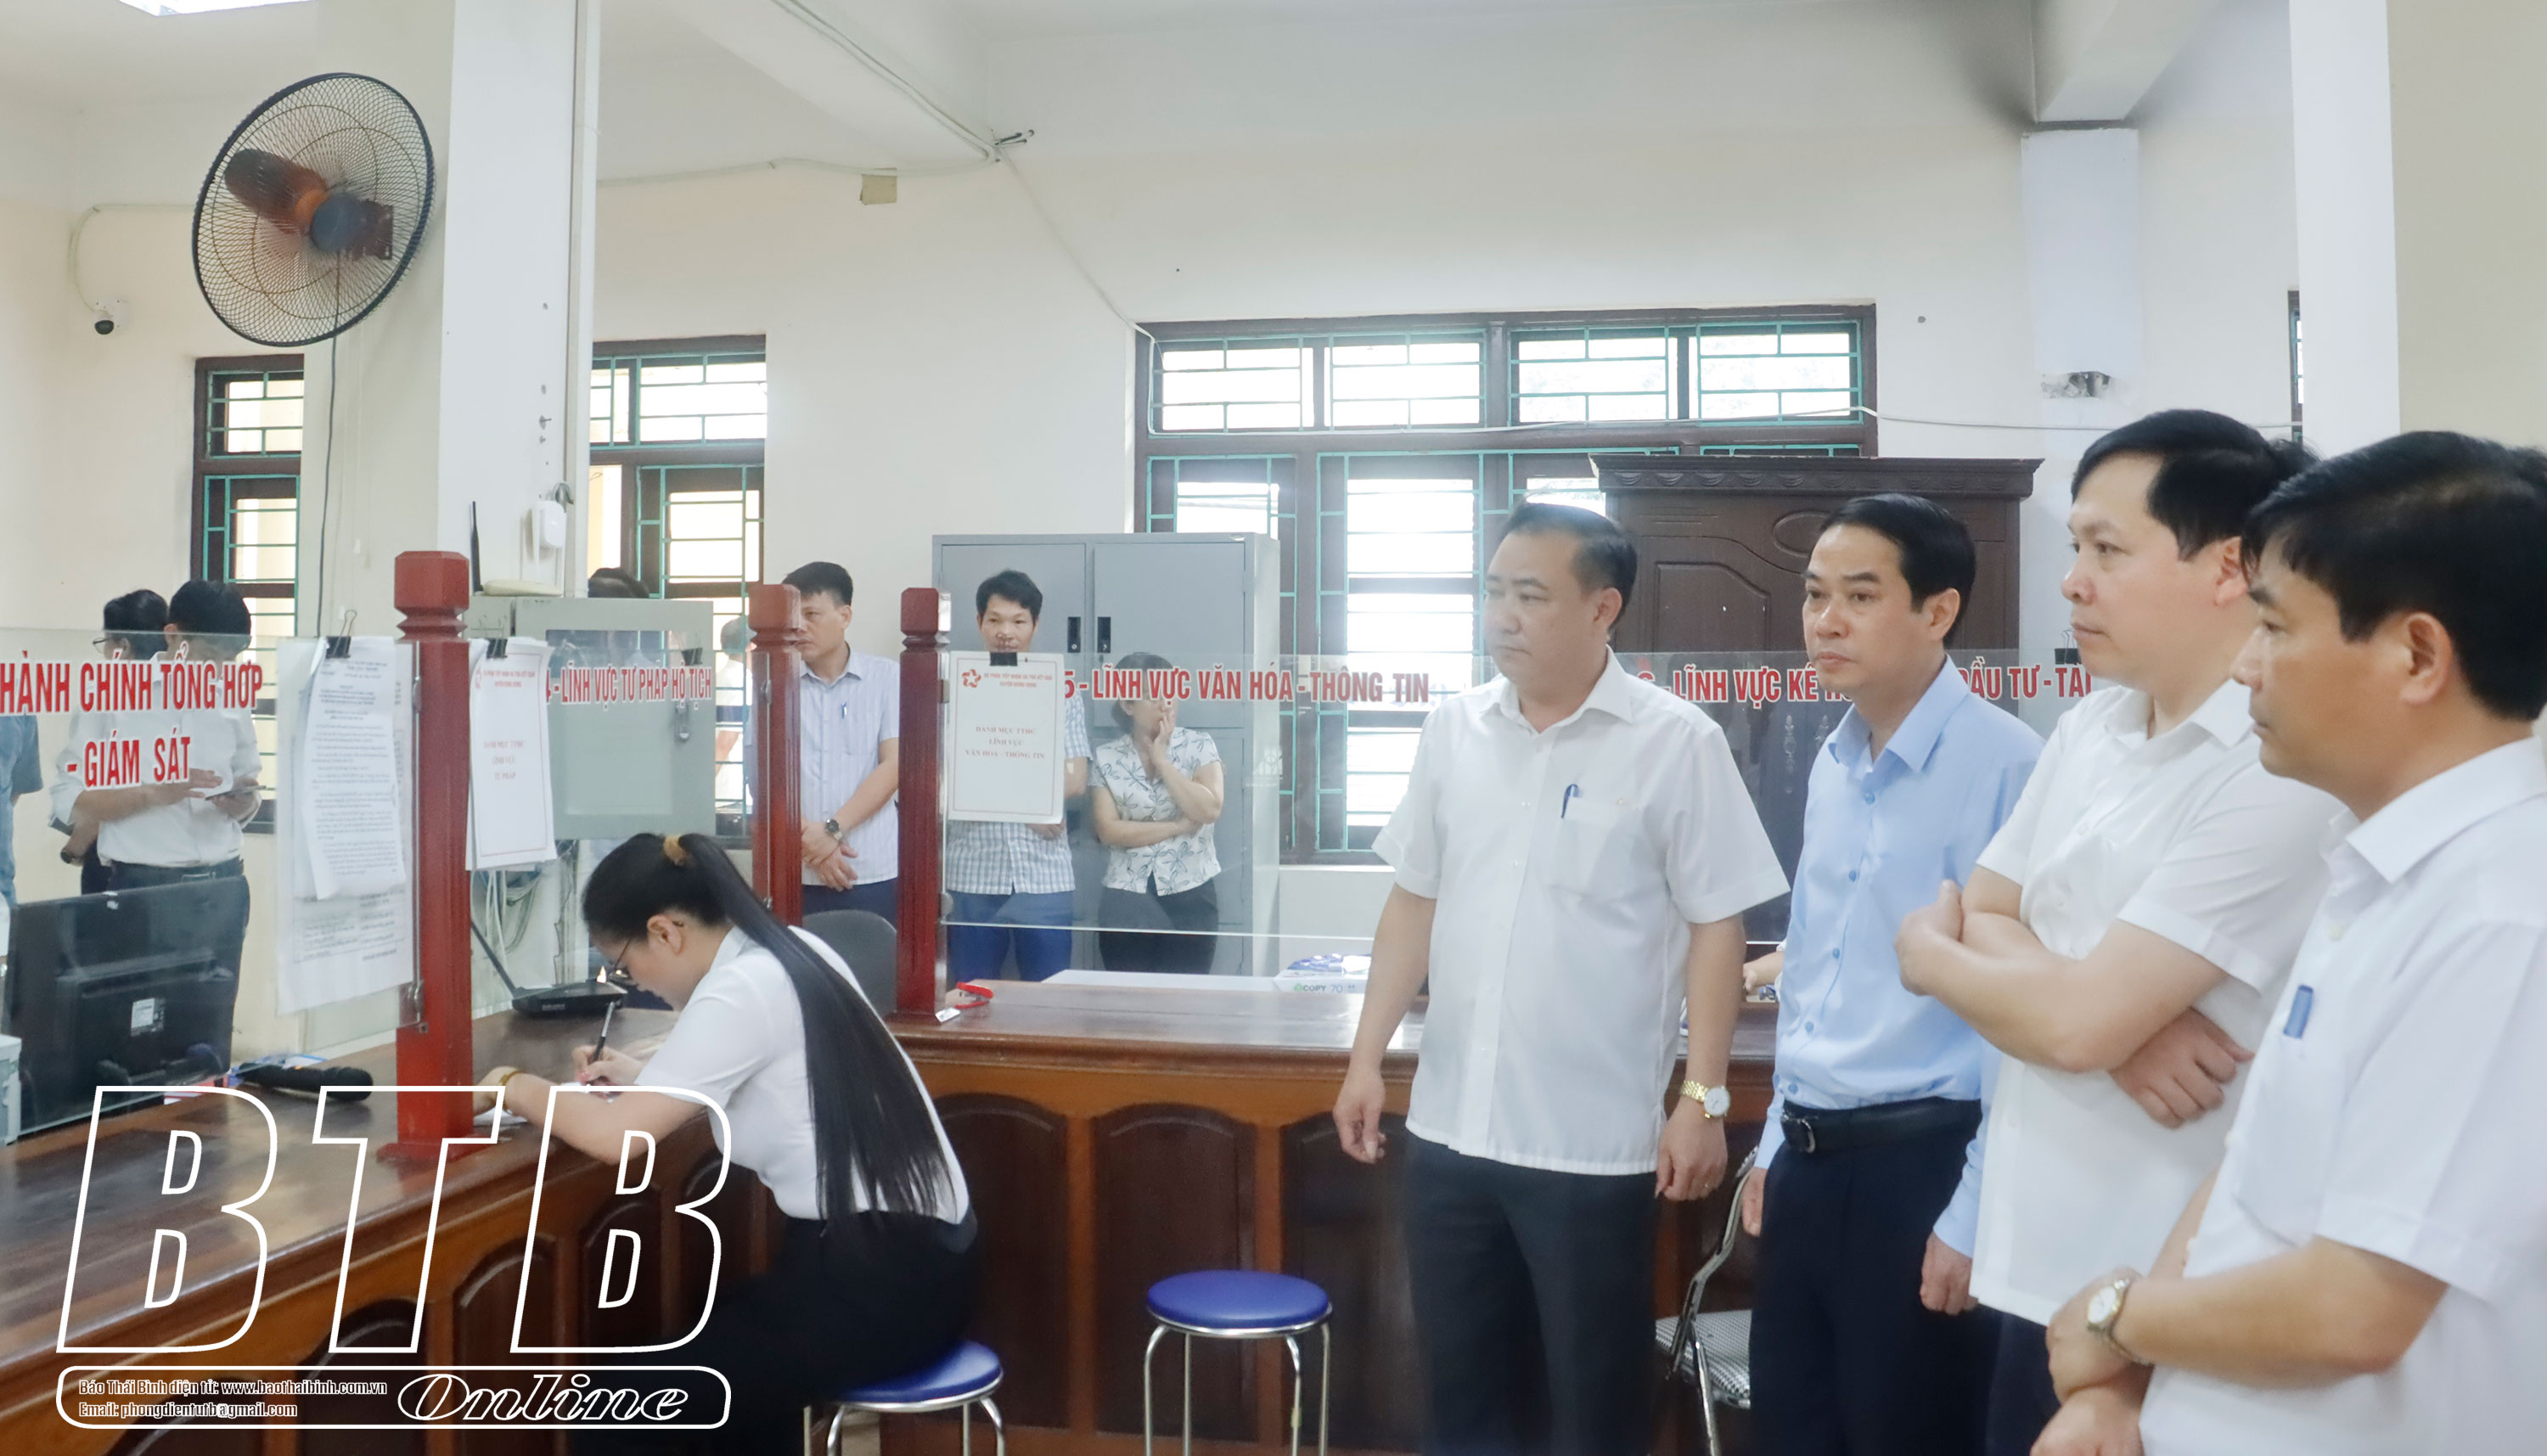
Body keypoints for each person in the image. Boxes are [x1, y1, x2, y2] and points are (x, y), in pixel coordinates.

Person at [2033, 433, 2547, 1455]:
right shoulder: (2379, 865)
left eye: (2272, 625)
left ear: (2417, 656)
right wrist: (2126, 1387)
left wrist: (2115, 1315)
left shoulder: (2501, 915)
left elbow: (2355, 1308)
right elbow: (2254, 1174)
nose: (2246, 664)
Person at [1889, 410, 2342, 1456]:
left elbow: (2021, 983)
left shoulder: (2274, 763)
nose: (2073, 581)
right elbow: (1988, 912)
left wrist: (1939, 961)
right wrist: (2111, 1019)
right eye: (2074, 546)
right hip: (2038, 1269)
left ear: (2228, 566)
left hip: (2168, 1298)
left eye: (2106, 548)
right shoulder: (2092, 725)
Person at [1332, 502, 1788, 1456]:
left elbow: (1718, 925)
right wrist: (1366, 1058)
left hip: (1591, 1149)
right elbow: (1413, 900)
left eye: (1531, 595)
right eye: (1494, 591)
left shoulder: (1675, 741)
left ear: (1601, 608)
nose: (1503, 615)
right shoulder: (1454, 728)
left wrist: (1702, 1097)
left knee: (1590, 1410)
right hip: (1451, 1134)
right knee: (1461, 1403)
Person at [476, 833, 976, 1455]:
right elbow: (771, 1071)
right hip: (924, 1265)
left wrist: (510, 1084)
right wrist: (644, 1076)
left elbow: (615, 1137)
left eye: (625, 965)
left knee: (613, 1411)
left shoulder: (740, 989)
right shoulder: (792, 949)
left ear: (666, 932)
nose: (635, 983)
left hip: (878, 1288)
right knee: (727, 1364)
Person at [1743, 495, 2044, 1456]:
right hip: (1807, 1160)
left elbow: (2017, 1014)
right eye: (1815, 595)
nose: (1825, 621)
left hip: (1924, 1169)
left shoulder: (2009, 765)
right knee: (1794, 1431)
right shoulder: (1833, 761)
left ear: (1938, 610)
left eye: (1860, 596)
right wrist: (1769, 1145)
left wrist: (1974, 1210)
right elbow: (1813, 967)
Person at [52, 582, 261, 974]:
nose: (219, 671)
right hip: (143, 889)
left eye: (231, 659)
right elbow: (70, 799)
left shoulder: (231, 697)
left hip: (223, 884)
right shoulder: (112, 696)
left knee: (214, 1011)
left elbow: (248, 784)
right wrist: (150, 794)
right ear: (173, 636)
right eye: (210, 657)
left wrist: (244, 801)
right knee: (137, 1009)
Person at [943, 569, 1088, 982]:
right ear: (979, 622)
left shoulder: (1062, 691)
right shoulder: (951, 690)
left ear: (1034, 625)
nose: (1005, 632)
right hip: (972, 870)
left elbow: (1075, 779)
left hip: (1044, 874)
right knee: (969, 994)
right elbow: (945, 777)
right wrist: (1031, 807)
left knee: (1050, 996)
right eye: (995, 620)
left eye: (1018, 621)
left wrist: (997, 792)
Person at [1090, 651, 1225, 973]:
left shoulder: (1198, 745)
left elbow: (1209, 809)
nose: (1167, 703)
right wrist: (1177, 826)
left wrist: (1163, 762)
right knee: (1127, 997)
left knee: (1184, 996)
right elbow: (1109, 831)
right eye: (1154, 697)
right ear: (1128, 705)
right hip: (1126, 896)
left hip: (1190, 893)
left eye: (1172, 693)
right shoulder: (1107, 756)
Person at [782, 562, 900, 925]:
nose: (799, 626)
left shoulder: (886, 677)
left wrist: (832, 831)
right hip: (795, 869)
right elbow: (762, 775)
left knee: (872, 961)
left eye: (811, 614)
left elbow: (895, 765)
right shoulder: (776, 681)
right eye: (793, 617)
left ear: (844, 615)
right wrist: (812, 845)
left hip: (869, 868)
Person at [56, 589, 169, 895]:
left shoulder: (105, 698)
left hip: (115, 864)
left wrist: (74, 848)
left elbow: (88, 793)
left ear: (124, 647)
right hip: (175, 865)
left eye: (106, 642)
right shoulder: (187, 693)